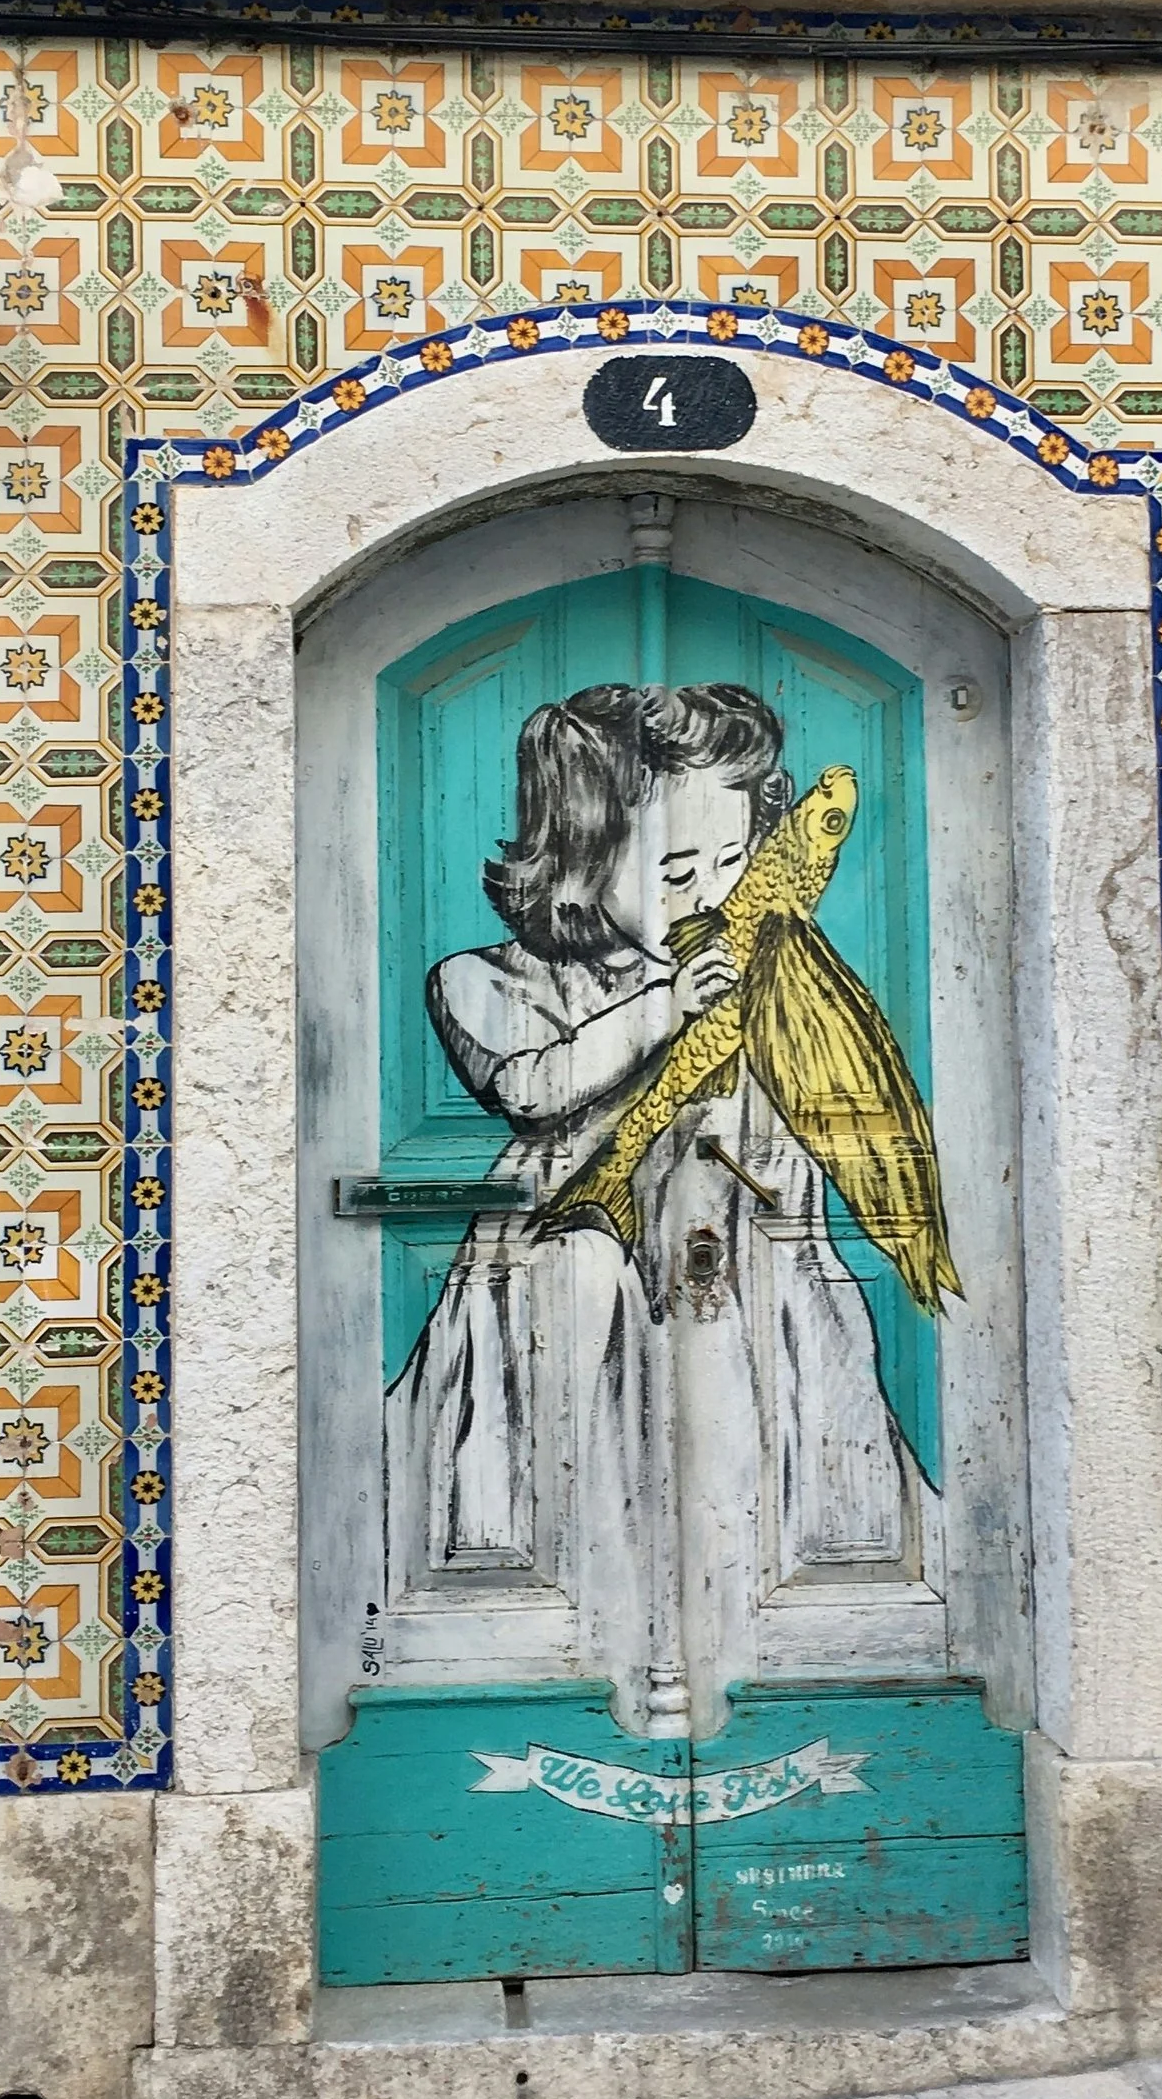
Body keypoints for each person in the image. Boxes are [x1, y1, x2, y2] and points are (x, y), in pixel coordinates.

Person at [386, 681, 929, 1735]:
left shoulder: (752, 973)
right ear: (578, 862)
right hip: (569, 1280)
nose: (709, 894)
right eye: (677, 870)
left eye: (731, 863)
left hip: (741, 1273)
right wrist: (661, 1012)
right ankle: (555, 1639)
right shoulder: (481, 977)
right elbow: (533, 1086)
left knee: (766, 1452)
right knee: (564, 1459)